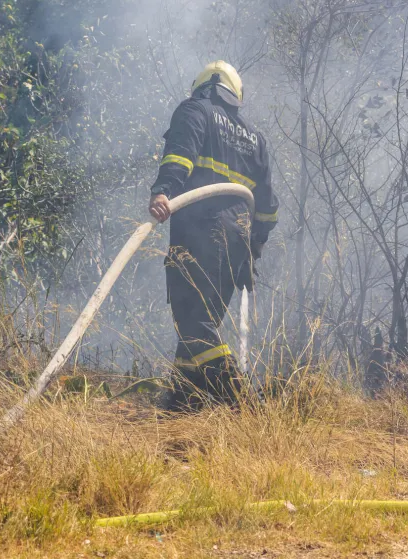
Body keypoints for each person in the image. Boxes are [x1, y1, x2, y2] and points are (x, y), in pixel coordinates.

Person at [147, 61, 278, 411]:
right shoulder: (255, 137)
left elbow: (180, 155)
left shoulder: (195, 110)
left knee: (194, 323)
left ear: (201, 86)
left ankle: (241, 401)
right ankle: (182, 403)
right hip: (237, 245)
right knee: (199, 325)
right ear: (235, 94)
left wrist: (163, 190)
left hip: (199, 231)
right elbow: (267, 207)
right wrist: (253, 247)